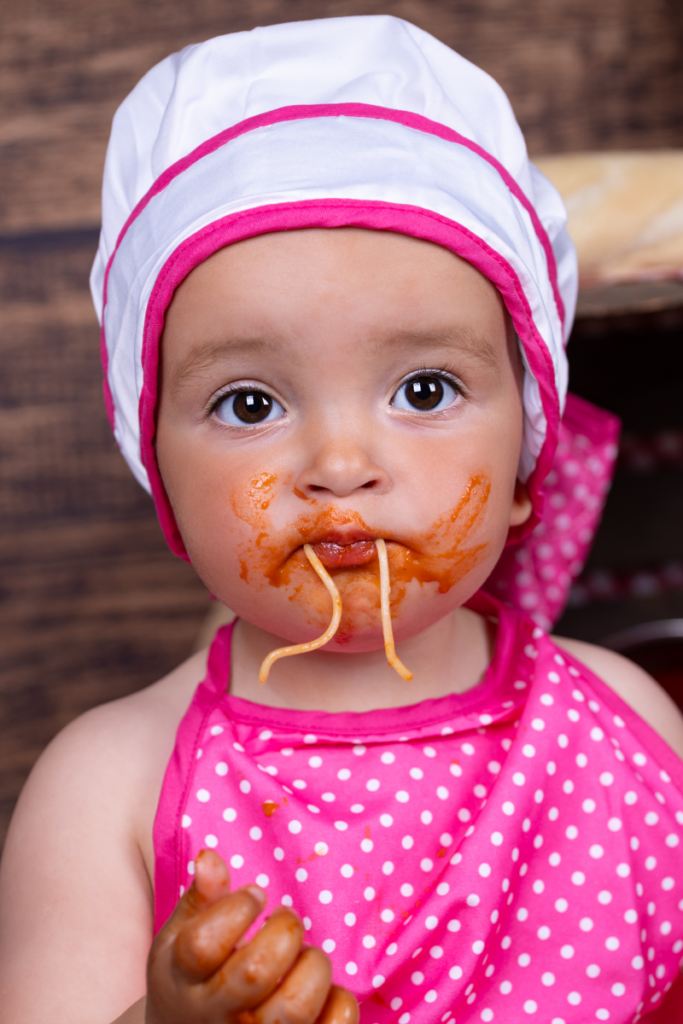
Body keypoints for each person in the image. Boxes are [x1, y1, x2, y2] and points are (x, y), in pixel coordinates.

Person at [1, 15, 682, 1024]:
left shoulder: (623, 729)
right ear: (160, 474)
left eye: (421, 388)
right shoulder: (109, 787)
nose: (338, 465)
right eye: (249, 404)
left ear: (525, 461)